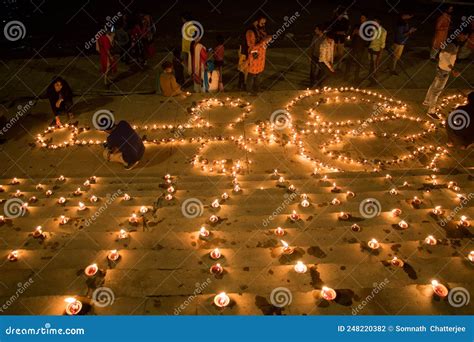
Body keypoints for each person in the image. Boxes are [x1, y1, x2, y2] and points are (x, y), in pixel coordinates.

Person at [423, 42, 463, 117]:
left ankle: (427, 101)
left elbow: (443, 55)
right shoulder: (452, 45)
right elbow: (444, 57)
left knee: (434, 85)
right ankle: (431, 111)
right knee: (437, 91)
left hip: (441, 69)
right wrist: (453, 69)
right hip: (444, 71)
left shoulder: (451, 43)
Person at [245, 14, 271, 95]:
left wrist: (267, 39)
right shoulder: (250, 32)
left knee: (259, 73)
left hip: (261, 57)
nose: (263, 25)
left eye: (264, 23)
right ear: (256, 22)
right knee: (252, 74)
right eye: (262, 23)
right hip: (254, 56)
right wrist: (264, 41)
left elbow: (264, 40)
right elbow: (251, 46)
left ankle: (257, 88)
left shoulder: (261, 30)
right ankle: (249, 90)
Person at [344, 14, 367, 83]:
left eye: (363, 18)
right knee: (349, 61)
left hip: (360, 47)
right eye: (361, 18)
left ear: (366, 19)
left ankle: (356, 78)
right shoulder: (356, 26)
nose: (361, 19)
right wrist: (353, 34)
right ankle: (346, 76)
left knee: (358, 63)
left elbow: (367, 39)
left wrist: (360, 34)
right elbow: (350, 35)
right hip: (353, 46)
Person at [367, 18, 386, 83]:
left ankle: (375, 79)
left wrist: (381, 53)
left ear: (378, 22)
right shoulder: (373, 30)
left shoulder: (383, 31)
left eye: (375, 22)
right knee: (371, 63)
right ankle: (370, 76)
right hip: (370, 48)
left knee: (376, 65)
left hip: (376, 49)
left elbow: (382, 43)